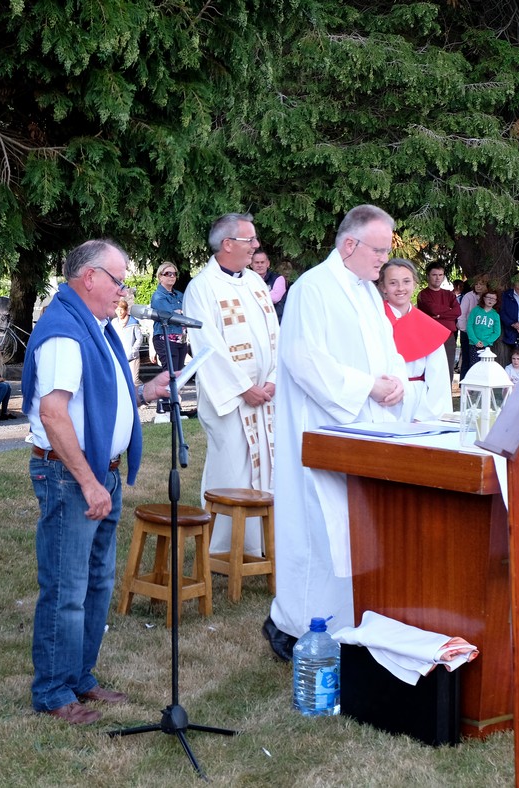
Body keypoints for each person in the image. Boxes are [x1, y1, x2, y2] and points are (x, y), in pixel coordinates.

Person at [20, 238, 173, 725]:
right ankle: (52, 691)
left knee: (96, 583)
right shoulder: (66, 330)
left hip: (95, 475)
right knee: (66, 587)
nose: (123, 289)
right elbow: (53, 412)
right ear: (90, 278)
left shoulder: (95, 326)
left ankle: (80, 677)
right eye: (118, 279)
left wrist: (143, 393)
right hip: (73, 477)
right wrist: (89, 483)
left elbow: (100, 398)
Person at [265, 204, 412, 657]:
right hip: (322, 429)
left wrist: (395, 383)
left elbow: (388, 351)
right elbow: (305, 360)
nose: (384, 261)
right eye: (379, 250)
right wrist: (367, 386)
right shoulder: (314, 288)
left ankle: (347, 622)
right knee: (316, 532)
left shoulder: (368, 293)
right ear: (349, 245)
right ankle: (294, 628)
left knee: (352, 532)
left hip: (363, 428)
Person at [182, 212, 279, 558]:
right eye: (249, 240)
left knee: (269, 468)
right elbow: (207, 346)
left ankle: (264, 543)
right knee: (233, 470)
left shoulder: (254, 282)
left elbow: (274, 335)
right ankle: (225, 547)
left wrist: (270, 380)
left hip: (265, 398)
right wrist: (244, 388)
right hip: (231, 401)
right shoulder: (201, 287)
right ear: (227, 244)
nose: (255, 246)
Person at [379, 258, 451, 422]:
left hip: (417, 403)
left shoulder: (429, 327)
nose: (400, 288)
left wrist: (423, 418)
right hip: (381, 399)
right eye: (393, 283)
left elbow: (438, 379)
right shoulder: (372, 320)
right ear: (383, 287)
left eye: (406, 281)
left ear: (415, 284)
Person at [416, 263, 460, 377]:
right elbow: (432, 309)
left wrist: (440, 316)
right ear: (428, 276)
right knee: (431, 370)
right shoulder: (423, 295)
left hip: (448, 337)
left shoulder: (449, 295)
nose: (437, 278)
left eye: (440, 275)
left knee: (448, 370)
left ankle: (448, 395)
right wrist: (449, 310)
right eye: (434, 275)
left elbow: (457, 311)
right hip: (430, 336)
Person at [148, 262, 188, 372]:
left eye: (174, 274)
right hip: (166, 340)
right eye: (168, 273)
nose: (172, 276)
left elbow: (188, 312)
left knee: (179, 375)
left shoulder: (179, 295)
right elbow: (170, 316)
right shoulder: (158, 297)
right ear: (160, 276)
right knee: (171, 377)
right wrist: (180, 313)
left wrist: (180, 312)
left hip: (181, 341)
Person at [457, 275, 491, 375]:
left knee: (482, 361)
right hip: (468, 332)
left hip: (482, 335)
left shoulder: (489, 297)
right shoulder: (468, 296)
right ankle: (464, 387)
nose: (478, 286)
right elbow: (461, 314)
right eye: (476, 284)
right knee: (467, 361)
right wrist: (466, 330)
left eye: (481, 284)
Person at [110, 297, 145, 384]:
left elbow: (139, 338)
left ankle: (142, 394)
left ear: (126, 310)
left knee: (134, 380)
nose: (119, 312)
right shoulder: (114, 322)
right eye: (117, 310)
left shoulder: (133, 322)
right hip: (118, 355)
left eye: (121, 310)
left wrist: (133, 351)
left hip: (132, 357)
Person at [250, 248, 288, 322]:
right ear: (251, 264)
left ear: (268, 264)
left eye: (262, 262)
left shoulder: (278, 279)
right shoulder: (246, 280)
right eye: (256, 262)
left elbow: (275, 298)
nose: (259, 265)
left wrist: (251, 297)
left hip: (277, 321)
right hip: (256, 321)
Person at [467, 287, 502, 357]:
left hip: (487, 345)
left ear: (496, 301)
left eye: (493, 299)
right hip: (474, 343)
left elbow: (497, 332)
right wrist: (475, 340)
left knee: (485, 365)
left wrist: (485, 342)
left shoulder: (495, 315)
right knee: (474, 365)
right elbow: (469, 326)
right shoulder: (475, 310)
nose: (490, 300)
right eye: (488, 297)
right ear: (483, 298)